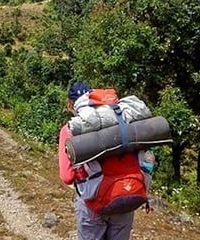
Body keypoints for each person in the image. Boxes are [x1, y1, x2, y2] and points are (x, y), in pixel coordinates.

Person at [59, 82, 148, 240]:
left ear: (70, 104)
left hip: (93, 203)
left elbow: (66, 176)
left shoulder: (70, 130)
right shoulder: (123, 122)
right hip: (127, 195)